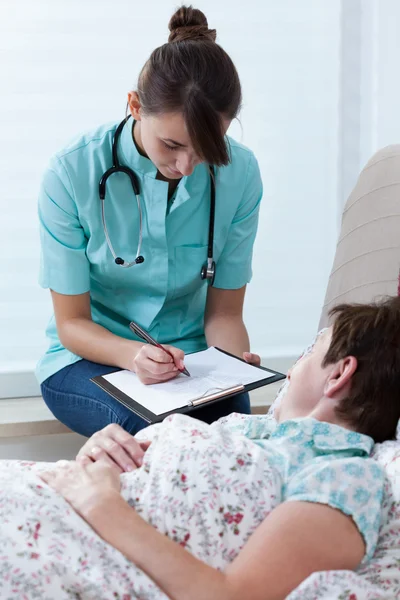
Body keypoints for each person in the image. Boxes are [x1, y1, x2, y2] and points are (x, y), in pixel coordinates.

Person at [1, 297, 400, 599]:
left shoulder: (345, 476)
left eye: (311, 351)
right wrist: (103, 453)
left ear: (340, 373)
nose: (293, 366)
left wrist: (100, 504)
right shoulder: (245, 428)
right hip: (49, 496)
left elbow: (232, 596)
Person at [36, 6, 263, 438]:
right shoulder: (71, 172)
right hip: (89, 361)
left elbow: (225, 315)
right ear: (135, 106)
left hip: (191, 366)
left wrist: (234, 367)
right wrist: (133, 355)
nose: (187, 165)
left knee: (238, 429)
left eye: (205, 149)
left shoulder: (241, 173)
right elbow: (72, 324)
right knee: (154, 431)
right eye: (173, 144)